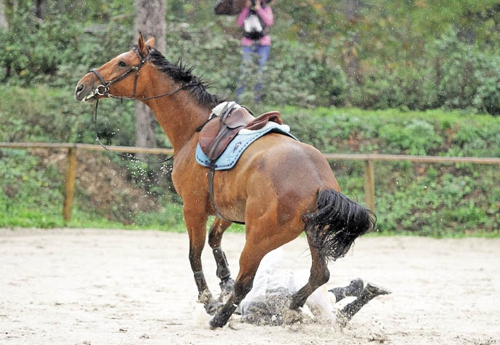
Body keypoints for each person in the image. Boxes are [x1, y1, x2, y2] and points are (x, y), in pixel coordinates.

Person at [236, 0, 274, 102]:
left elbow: (269, 21)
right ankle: (238, 100)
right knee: (245, 70)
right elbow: (239, 23)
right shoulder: (246, 10)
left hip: (263, 44)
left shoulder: (266, 8)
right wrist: (247, 9)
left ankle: (257, 100)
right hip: (248, 44)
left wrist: (258, 9)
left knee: (259, 71)